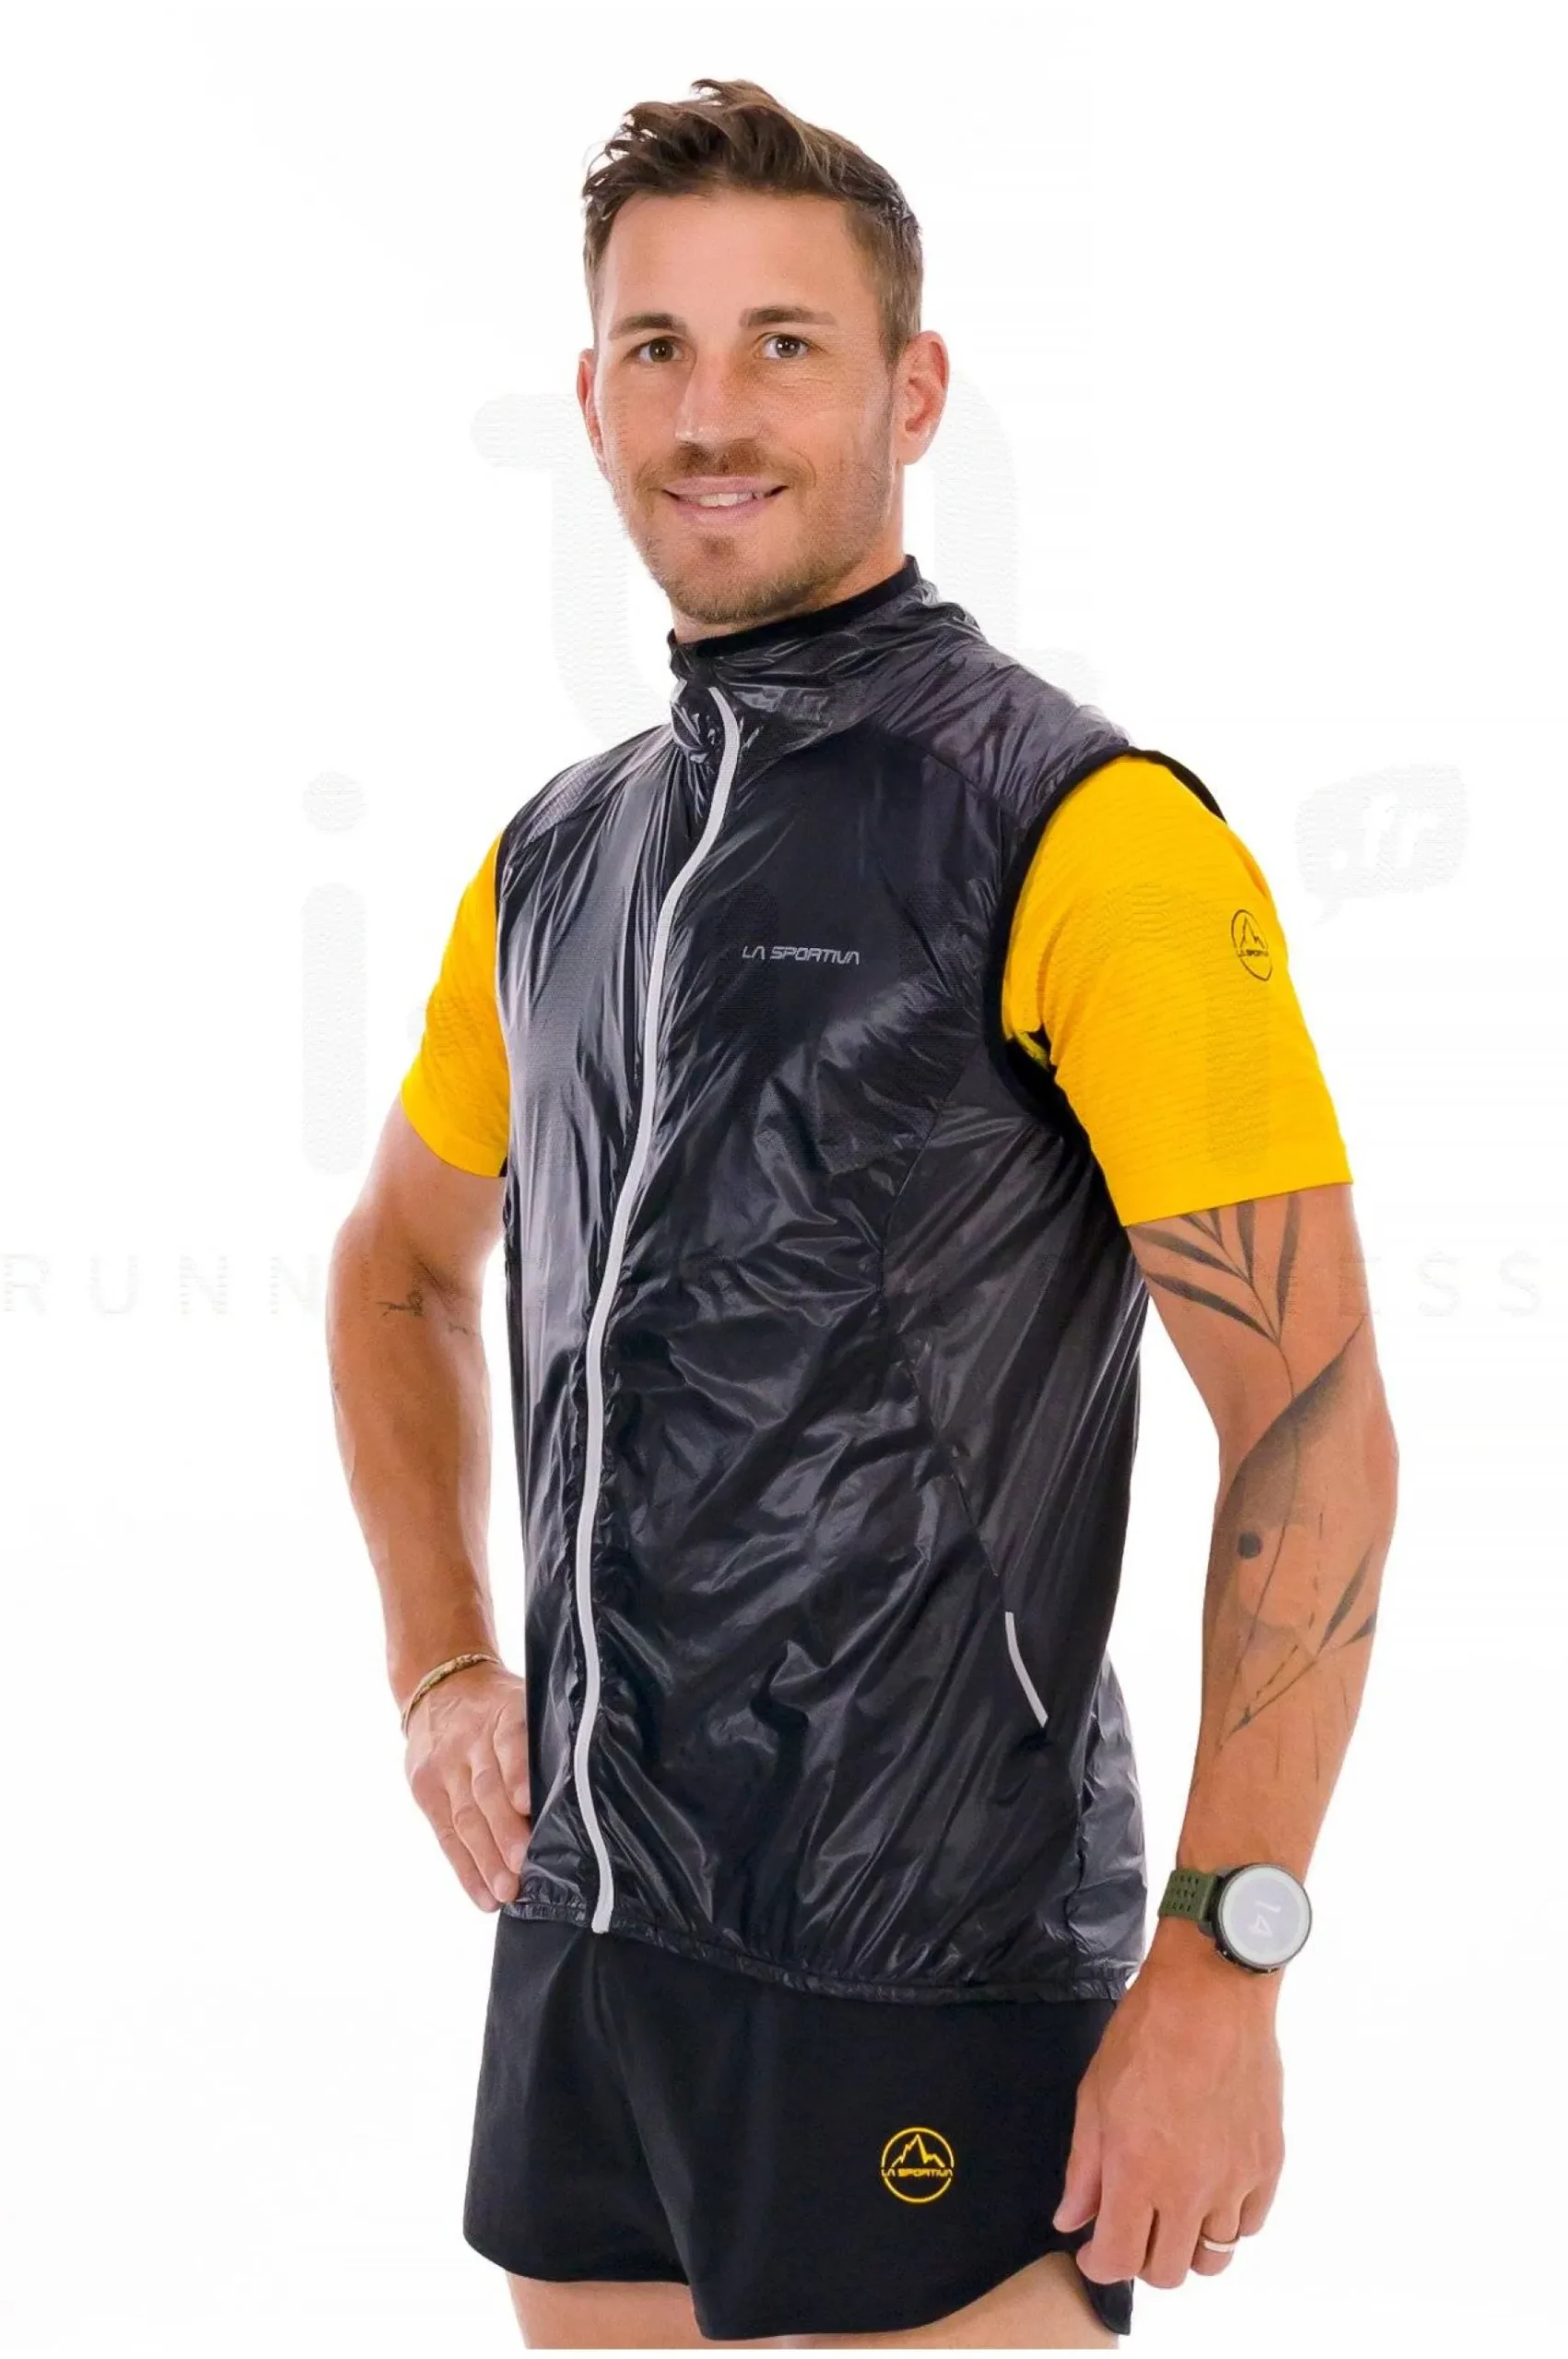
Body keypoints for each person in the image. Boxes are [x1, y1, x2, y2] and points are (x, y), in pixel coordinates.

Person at [325, 76, 1398, 2351]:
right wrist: (439, 1663)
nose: (710, 413)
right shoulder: (556, 858)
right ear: (592, 396)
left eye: (783, 345)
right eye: (656, 347)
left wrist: (1222, 1959)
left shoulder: (1078, 831)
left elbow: (1308, 1408)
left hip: (930, 1964)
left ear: (911, 394)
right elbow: (398, 1264)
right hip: (590, 1949)